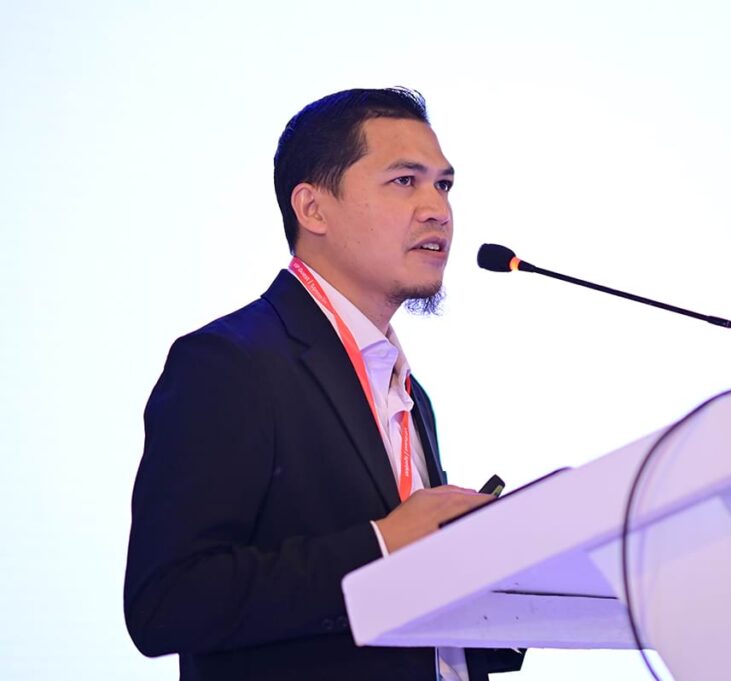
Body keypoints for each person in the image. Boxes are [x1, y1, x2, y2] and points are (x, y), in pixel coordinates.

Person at [124, 88, 525, 681]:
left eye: (444, 185)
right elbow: (167, 602)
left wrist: (501, 589)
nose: (437, 210)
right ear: (312, 209)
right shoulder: (230, 363)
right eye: (404, 181)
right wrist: (382, 545)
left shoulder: (409, 392)